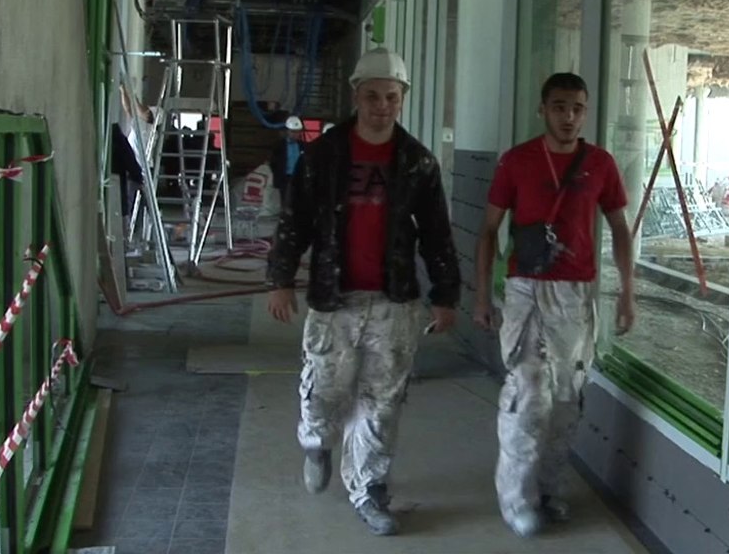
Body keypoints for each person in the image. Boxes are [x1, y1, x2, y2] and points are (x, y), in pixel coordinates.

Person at [266, 46, 462, 537]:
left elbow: (437, 231)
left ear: (403, 98)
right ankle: (316, 442)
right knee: (327, 387)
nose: (382, 106)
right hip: (336, 297)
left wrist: (445, 294)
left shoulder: (417, 163)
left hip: (394, 301)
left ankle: (370, 491)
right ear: (357, 96)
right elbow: (296, 220)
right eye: (372, 96)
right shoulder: (324, 156)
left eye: (391, 97)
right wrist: (281, 280)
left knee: (382, 400)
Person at [473, 71, 637, 538]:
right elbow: (488, 230)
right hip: (526, 288)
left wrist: (627, 291)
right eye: (560, 106)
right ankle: (517, 499)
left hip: (577, 293)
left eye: (577, 108)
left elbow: (620, 228)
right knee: (528, 392)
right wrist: (483, 295)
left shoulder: (599, 164)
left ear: (585, 112)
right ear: (543, 109)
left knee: (566, 399)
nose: (568, 117)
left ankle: (548, 488)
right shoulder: (517, 162)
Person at [269, 115, 306, 200]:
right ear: (287, 131)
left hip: (299, 178)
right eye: (293, 131)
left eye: (297, 132)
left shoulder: (302, 146)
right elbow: (273, 163)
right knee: (284, 199)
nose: (295, 134)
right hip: (284, 178)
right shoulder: (279, 145)